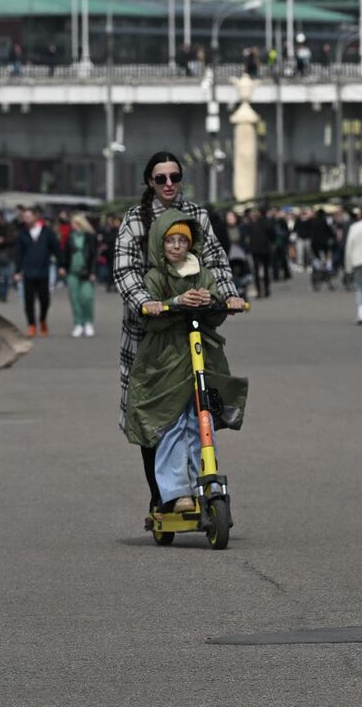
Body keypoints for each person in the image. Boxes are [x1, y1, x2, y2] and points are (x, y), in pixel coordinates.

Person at [111, 153, 243, 513]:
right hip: (149, 331)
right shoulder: (136, 219)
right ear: (149, 182)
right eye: (160, 178)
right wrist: (147, 302)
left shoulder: (197, 215)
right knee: (153, 415)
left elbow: (215, 260)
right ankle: (162, 495)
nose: (168, 184)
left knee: (195, 411)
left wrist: (226, 294)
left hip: (192, 330)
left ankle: (194, 485)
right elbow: (125, 272)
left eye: (174, 177)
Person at [10, 206, 61, 338]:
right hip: (28, 271)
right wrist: (17, 271)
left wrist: (62, 265)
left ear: (35, 216)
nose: (26, 219)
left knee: (45, 300)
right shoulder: (23, 233)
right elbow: (19, 254)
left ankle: (42, 319)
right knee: (28, 300)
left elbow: (56, 249)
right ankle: (31, 325)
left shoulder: (47, 232)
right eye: (24, 217)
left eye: (28, 216)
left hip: (43, 270)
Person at [64, 213, 100, 337]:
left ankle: (88, 322)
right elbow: (66, 253)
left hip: (87, 271)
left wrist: (93, 272)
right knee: (75, 299)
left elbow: (94, 255)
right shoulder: (70, 236)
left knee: (87, 297)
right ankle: (78, 323)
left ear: (80, 224)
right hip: (72, 271)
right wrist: (63, 267)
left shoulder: (90, 236)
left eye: (74, 223)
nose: (72, 226)